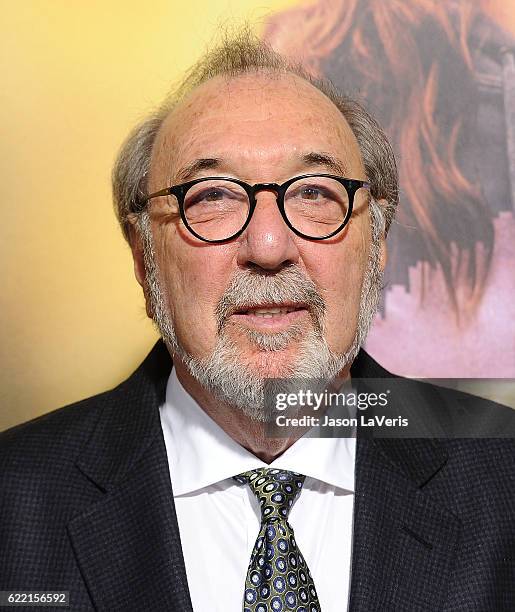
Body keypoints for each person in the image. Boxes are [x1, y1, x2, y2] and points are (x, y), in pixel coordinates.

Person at [1, 30, 514, 612]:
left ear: (377, 247)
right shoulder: (14, 501)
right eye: (211, 196)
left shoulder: (504, 478)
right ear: (146, 260)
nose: (269, 245)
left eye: (315, 193)